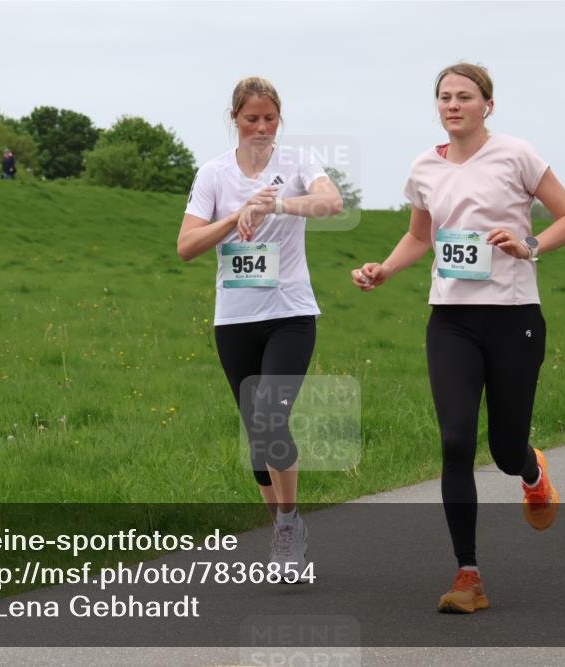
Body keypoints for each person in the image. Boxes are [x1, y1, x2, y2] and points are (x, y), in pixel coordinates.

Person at [351, 63, 565, 612]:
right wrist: (384, 269)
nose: (453, 105)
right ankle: (468, 575)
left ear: (487, 106)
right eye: (444, 97)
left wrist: (528, 245)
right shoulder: (424, 168)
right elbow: (420, 237)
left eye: (464, 97)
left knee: (504, 450)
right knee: (456, 441)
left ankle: (532, 471)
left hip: (513, 316)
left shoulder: (516, 155)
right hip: (451, 320)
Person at [177, 77, 343, 581]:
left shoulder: (298, 163)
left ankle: (288, 523)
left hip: (290, 314)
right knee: (257, 440)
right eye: (252, 119)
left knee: (271, 421)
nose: (262, 127)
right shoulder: (214, 173)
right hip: (235, 320)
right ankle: (283, 532)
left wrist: (276, 204)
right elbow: (186, 246)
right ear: (235, 119)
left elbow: (331, 202)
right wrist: (236, 216)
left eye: (270, 118)